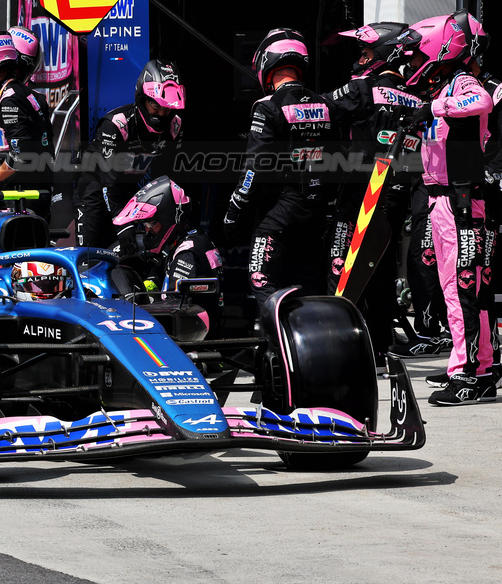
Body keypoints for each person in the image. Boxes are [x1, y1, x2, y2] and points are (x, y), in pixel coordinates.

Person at [389, 14, 496, 405]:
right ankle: (477, 367)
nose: (413, 65)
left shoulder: (462, 83)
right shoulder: (443, 87)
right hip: (445, 199)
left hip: (461, 200)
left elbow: (480, 99)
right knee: (465, 289)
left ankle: (466, 374)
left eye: (417, 57)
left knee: (461, 289)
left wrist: (433, 109)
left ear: (440, 50)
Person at [326, 22, 421, 361]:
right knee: (380, 268)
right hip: (397, 194)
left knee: (342, 264)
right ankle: (380, 344)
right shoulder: (414, 93)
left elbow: (318, 112)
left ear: (382, 53)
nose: (359, 58)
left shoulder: (362, 88)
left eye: (365, 51)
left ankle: (338, 341)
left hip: (360, 192)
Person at [223, 28, 336, 310]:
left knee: (260, 277)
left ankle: (277, 348)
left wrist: (235, 209)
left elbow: (254, 167)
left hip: (284, 207)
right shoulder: (327, 104)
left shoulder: (267, 106)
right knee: (309, 284)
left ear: (266, 63)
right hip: (320, 210)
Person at [75, 60, 184, 246]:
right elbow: (107, 181)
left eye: (167, 108)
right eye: (155, 105)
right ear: (142, 98)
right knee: (90, 257)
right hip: (94, 192)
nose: (161, 113)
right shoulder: (116, 124)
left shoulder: (174, 126)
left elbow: (166, 179)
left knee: (132, 253)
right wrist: (122, 224)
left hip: (127, 191)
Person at [0, 33, 54, 220]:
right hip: (19, 186)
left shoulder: (10, 99)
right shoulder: (10, 92)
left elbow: (20, 155)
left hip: (25, 194)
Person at [112, 176, 222, 326]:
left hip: (189, 341)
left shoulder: (188, 252)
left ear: (167, 218)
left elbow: (174, 308)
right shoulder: (189, 240)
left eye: (151, 223)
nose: (147, 230)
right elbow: (159, 277)